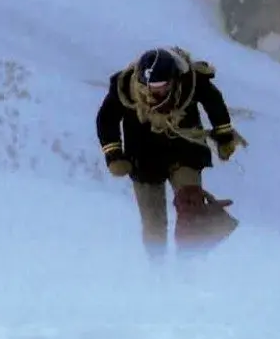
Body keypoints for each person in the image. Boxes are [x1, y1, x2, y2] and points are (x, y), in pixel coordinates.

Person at [95, 46, 247, 261]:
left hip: (185, 151)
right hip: (143, 159)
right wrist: (114, 154)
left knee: (191, 206)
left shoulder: (190, 81)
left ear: (174, 80)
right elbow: (106, 119)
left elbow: (214, 102)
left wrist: (224, 137)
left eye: (163, 87)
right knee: (153, 222)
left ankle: (188, 262)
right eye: (151, 87)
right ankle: (157, 268)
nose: (156, 93)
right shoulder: (124, 88)